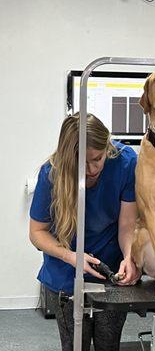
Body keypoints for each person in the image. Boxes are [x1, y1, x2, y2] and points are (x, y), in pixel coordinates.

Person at [29, 112, 140, 351]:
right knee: (74, 346)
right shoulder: (52, 172)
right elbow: (37, 232)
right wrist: (73, 258)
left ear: (107, 147)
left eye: (98, 159)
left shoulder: (126, 161)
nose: (91, 169)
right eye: (82, 163)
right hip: (65, 274)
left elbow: (127, 226)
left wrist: (130, 258)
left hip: (109, 273)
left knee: (108, 345)